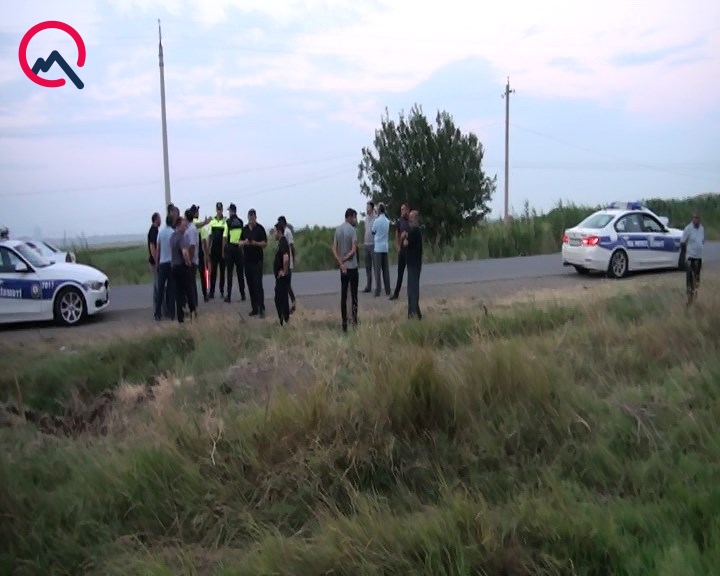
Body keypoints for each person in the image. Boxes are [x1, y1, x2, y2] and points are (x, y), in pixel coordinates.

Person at [332, 208, 359, 332]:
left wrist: (340, 262)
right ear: (350, 217)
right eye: (354, 217)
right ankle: (354, 320)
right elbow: (354, 249)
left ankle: (344, 323)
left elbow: (334, 248)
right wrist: (346, 258)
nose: (355, 220)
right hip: (352, 266)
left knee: (344, 295)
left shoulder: (337, 230)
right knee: (353, 295)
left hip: (343, 268)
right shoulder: (352, 230)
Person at [242, 208, 268, 318]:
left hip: (257, 261)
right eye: (249, 218)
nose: (251, 220)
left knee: (258, 285)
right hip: (247, 261)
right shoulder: (244, 229)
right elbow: (239, 242)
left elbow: (265, 243)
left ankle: (262, 308)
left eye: (253, 218)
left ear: (255, 218)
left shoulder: (260, 229)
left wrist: (255, 243)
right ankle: (254, 308)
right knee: (250, 285)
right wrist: (245, 242)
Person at [170, 216, 196, 323]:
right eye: (183, 226)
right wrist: (188, 262)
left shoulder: (172, 237)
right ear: (178, 226)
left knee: (179, 292)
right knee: (189, 290)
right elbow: (185, 252)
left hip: (174, 267)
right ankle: (192, 311)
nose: (184, 228)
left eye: (185, 226)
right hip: (182, 266)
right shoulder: (181, 237)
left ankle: (180, 316)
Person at [680, 210, 705, 306]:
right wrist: (683, 257)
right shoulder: (688, 229)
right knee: (690, 278)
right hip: (690, 258)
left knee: (697, 280)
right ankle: (689, 299)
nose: (695, 220)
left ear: (700, 219)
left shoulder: (702, 228)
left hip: (699, 258)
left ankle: (695, 297)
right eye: (694, 218)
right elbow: (682, 242)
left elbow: (702, 241)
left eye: (697, 218)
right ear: (692, 219)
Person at [155, 213, 176, 321]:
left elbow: (158, 249)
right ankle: (171, 312)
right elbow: (174, 249)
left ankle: (157, 312)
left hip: (162, 263)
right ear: (172, 222)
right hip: (171, 263)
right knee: (171, 289)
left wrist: (157, 263)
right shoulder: (173, 233)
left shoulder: (160, 232)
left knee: (161, 289)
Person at [224, 203, 246, 303]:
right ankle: (243, 294)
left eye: (229, 211)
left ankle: (228, 296)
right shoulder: (241, 222)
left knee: (229, 273)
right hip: (239, 248)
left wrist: (224, 250)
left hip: (231, 248)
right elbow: (243, 236)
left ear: (231, 211)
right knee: (240, 272)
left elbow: (225, 237)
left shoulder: (228, 222)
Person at [403, 209, 423, 319]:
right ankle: (416, 313)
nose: (410, 220)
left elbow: (406, 243)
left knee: (412, 289)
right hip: (413, 264)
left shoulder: (415, 231)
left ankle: (413, 313)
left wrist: (405, 236)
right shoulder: (414, 232)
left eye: (411, 217)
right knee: (412, 288)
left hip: (413, 264)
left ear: (416, 219)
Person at [272, 220, 291, 325]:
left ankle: (284, 320)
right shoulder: (281, 242)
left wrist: (284, 271)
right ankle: (283, 320)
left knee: (280, 299)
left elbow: (286, 258)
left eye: (275, 231)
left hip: (282, 277)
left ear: (279, 232)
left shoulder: (283, 242)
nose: (274, 233)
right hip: (280, 277)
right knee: (281, 298)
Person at [207, 202, 228, 299]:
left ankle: (222, 291)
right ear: (216, 210)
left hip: (223, 249)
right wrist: (208, 248)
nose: (219, 211)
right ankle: (211, 291)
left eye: (220, 209)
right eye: (218, 209)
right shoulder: (212, 221)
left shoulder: (225, 221)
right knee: (213, 272)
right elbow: (210, 236)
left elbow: (226, 236)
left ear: (222, 210)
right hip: (214, 249)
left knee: (222, 272)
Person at [390, 203, 410, 300]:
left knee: (411, 272)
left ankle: (411, 292)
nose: (402, 211)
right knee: (400, 272)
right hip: (402, 250)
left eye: (403, 209)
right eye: (401, 210)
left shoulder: (410, 220)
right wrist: (398, 247)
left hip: (410, 249)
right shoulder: (400, 221)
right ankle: (396, 293)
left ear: (408, 210)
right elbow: (396, 235)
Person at [371, 202, 391, 297]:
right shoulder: (387, 221)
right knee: (385, 269)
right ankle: (388, 289)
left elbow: (373, 231)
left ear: (379, 210)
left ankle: (378, 289)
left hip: (378, 247)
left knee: (377, 270)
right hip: (385, 247)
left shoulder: (376, 221)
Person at [277, 215, 297, 313]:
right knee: (286, 285)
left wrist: (293, 258)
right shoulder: (282, 232)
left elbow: (292, 246)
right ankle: (291, 303)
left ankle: (293, 303)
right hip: (284, 261)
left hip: (288, 262)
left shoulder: (287, 232)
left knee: (287, 284)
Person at [192, 205, 211, 303]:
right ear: (195, 213)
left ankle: (192, 297)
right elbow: (203, 241)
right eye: (197, 211)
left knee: (191, 276)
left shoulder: (188, 224)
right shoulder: (199, 224)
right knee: (203, 274)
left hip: (190, 253)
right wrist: (206, 254)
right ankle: (205, 294)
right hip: (198, 252)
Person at [183, 207, 200, 312]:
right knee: (191, 283)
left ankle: (194, 305)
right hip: (192, 260)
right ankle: (193, 304)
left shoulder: (192, 230)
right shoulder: (189, 228)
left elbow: (192, 246)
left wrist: (188, 260)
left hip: (192, 261)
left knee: (191, 284)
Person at [147, 212, 161, 311]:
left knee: (157, 287)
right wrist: (157, 262)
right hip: (154, 262)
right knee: (158, 286)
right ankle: (158, 309)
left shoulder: (155, 230)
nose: (161, 220)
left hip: (155, 261)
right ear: (156, 219)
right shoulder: (153, 231)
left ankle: (157, 308)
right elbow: (152, 248)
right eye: (159, 218)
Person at [362, 201, 376, 293]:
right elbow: (365, 230)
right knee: (368, 267)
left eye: (368, 207)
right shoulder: (366, 218)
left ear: (372, 208)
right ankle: (368, 286)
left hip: (373, 244)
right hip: (366, 244)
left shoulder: (375, 218)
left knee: (375, 266)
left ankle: (378, 286)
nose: (367, 209)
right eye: (366, 207)